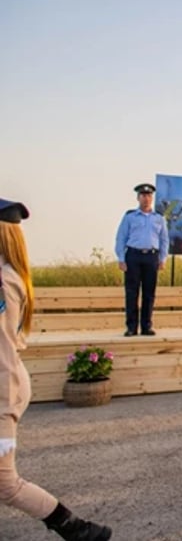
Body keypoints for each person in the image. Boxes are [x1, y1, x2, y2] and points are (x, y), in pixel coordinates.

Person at [0, 198, 112, 540]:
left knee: (5, 484)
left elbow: (2, 349)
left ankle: (77, 530)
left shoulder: (3, 282)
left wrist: (4, 416)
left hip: (2, 386)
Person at [115, 183, 169, 337]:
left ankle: (146, 326)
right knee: (132, 293)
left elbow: (164, 240)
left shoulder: (159, 218)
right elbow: (121, 238)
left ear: (152, 198)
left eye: (149, 195)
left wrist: (162, 259)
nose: (146, 198)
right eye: (143, 195)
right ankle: (131, 327)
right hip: (133, 256)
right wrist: (121, 258)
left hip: (151, 257)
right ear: (138, 198)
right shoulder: (130, 216)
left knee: (149, 293)